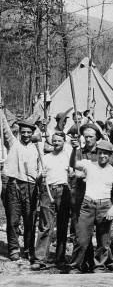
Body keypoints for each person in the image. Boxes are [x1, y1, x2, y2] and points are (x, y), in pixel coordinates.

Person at [69, 140, 113, 274]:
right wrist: (74, 150)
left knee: (103, 241)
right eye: (100, 152)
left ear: (110, 155)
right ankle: (75, 266)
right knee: (81, 239)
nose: (103, 155)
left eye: (106, 153)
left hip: (105, 206)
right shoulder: (88, 165)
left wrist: (112, 209)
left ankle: (99, 266)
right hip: (87, 205)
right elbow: (72, 164)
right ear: (96, 153)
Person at [1, 113, 42, 263]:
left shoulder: (37, 147)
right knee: (13, 220)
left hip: (31, 187)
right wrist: (1, 112)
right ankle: (13, 249)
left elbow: (42, 167)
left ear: (32, 133)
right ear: (19, 132)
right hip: (14, 185)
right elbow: (5, 130)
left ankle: (29, 249)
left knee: (30, 220)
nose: (25, 135)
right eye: (23, 132)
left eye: (29, 132)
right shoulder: (13, 144)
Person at [34, 131, 71, 268]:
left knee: (62, 224)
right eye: (54, 141)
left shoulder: (68, 157)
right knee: (45, 225)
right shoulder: (45, 158)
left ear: (64, 142)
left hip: (64, 192)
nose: (56, 143)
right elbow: (37, 179)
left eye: (59, 141)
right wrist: (40, 176)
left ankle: (60, 258)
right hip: (47, 191)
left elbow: (73, 175)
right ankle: (40, 259)